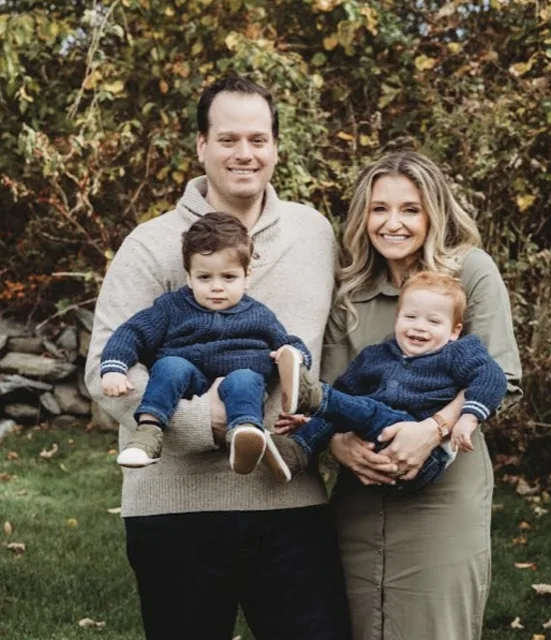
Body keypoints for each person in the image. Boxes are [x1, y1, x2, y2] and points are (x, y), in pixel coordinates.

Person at [85, 76, 351, 640]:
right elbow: (104, 367)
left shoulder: (315, 234)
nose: (244, 153)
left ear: (277, 146)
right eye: (228, 139)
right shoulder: (152, 244)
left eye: (258, 139)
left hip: (291, 502)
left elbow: (335, 352)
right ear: (201, 146)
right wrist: (202, 421)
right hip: (175, 507)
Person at [319, 150, 522, 640]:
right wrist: (338, 446)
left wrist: (433, 431)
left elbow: (502, 378)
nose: (393, 223)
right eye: (379, 209)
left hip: (443, 494)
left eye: (409, 209)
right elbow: (327, 393)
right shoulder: (348, 290)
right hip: (359, 497)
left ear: (434, 212)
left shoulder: (470, 273)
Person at [100, 211, 310, 478]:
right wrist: (114, 368)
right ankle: (148, 435)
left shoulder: (259, 315)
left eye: (229, 277)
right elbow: (132, 332)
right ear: (189, 277)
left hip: (240, 381)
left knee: (245, 380)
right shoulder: (172, 307)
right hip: (190, 380)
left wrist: (292, 355)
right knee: (170, 366)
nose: (217, 287)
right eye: (204, 278)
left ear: (247, 276)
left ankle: (244, 435)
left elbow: (287, 343)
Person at [270, 270, 508, 496]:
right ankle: (294, 453)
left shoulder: (458, 352)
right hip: (376, 452)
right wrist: (311, 420)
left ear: (454, 331)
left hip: (423, 456)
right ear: (397, 318)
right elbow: (345, 392)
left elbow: (491, 377)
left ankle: (313, 396)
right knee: (343, 409)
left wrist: (469, 417)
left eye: (433, 321)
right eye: (411, 317)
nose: (419, 326)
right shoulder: (374, 356)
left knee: (365, 407)